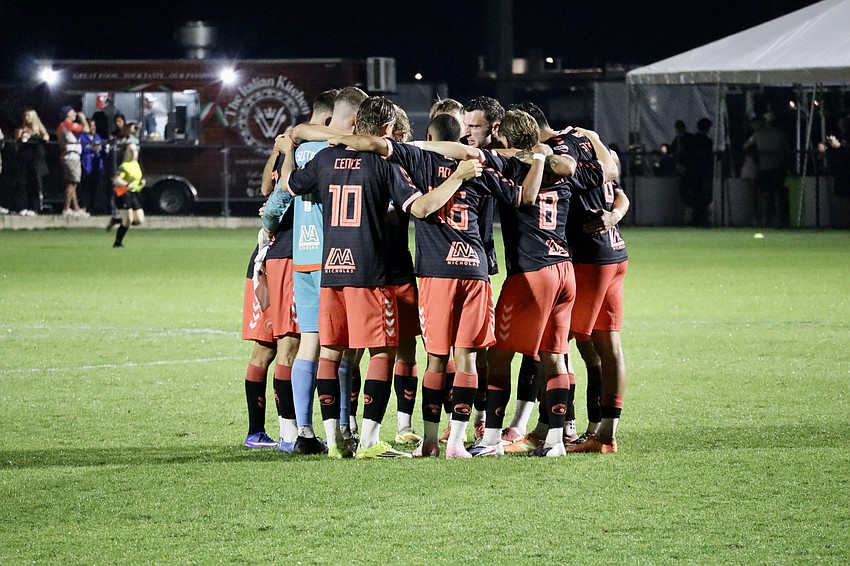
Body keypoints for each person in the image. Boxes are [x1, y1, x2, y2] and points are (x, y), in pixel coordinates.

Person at [744, 111, 791, 227]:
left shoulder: (758, 134)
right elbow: (786, 151)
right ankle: (779, 219)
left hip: (764, 168)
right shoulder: (781, 134)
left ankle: (765, 219)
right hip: (778, 168)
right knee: (777, 195)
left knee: (764, 195)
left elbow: (745, 146)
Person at [14, 108, 50, 216]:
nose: (26, 118)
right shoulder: (21, 127)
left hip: (35, 159)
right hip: (23, 158)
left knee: (34, 183)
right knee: (22, 183)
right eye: (25, 116)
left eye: (28, 116)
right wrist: (22, 134)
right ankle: (23, 207)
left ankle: (33, 208)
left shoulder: (38, 127)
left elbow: (46, 136)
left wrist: (37, 136)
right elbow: (17, 138)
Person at [678, 117, 713, 226]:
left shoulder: (691, 139)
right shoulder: (707, 142)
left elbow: (683, 153)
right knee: (702, 196)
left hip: (690, 172)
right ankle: (701, 218)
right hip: (702, 173)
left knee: (689, 195)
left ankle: (692, 217)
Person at [56, 105, 90, 217]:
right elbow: (86, 129)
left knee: (72, 183)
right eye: (72, 112)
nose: (75, 114)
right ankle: (66, 208)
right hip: (71, 156)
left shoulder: (61, 126)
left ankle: (76, 208)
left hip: (68, 156)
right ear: (67, 114)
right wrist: (83, 119)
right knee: (72, 183)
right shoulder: (67, 125)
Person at [818, 115, 850, 228]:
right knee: (839, 199)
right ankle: (841, 222)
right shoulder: (838, 136)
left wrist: (840, 147)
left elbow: (843, 151)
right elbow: (829, 148)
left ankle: (846, 223)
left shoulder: (846, 138)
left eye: (844, 122)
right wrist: (824, 148)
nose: (842, 125)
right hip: (839, 171)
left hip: (847, 171)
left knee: (846, 199)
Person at [111, 142, 145, 248]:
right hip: (122, 193)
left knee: (139, 220)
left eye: (135, 150)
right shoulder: (124, 166)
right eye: (131, 150)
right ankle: (117, 243)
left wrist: (141, 183)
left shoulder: (137, 164)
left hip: (133, 193)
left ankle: (118, 220)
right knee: (128, 220)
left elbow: (137, 178)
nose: (134, 153)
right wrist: (127, 184)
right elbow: (116, 180)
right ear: (126, 153)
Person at [80, 118, 106, 214]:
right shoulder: (82, 137)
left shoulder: (98, 137)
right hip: (86, 167)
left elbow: (102, 152)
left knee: (95, 189)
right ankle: (84, 207)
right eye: (91, 126)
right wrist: (91, 149)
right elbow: (81, 150)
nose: (93, 128)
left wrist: (104, 151)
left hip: (97, 168)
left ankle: (92, 208)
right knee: (85, 188)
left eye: (94, 126)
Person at [106, 113, 128, 230]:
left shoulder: (128, 136)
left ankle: (123, 215)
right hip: (115, 168)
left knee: (123, 191)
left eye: (120, 121)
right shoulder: (113, 136)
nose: (118, 124)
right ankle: (115, 214)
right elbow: (109, 152)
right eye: (116, 121)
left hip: (125, 169)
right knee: (115, 191)